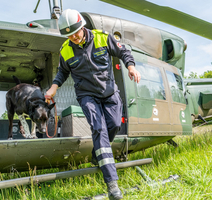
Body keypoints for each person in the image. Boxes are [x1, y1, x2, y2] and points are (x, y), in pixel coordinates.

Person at [46, 9, 141, 200]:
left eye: (75, 32)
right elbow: (62, 73)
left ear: (82, 26)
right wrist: (53, 88)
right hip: (87, 95)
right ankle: (112, 185)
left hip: (109, 92)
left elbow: (123, 52)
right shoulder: (65, 50)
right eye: (68, 35)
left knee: (114, 125)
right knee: (99, 129)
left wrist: (131, 66)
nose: (73, 37)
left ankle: (97, 154)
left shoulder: (102, 38)